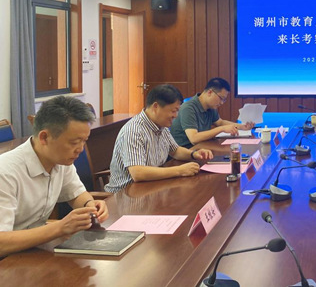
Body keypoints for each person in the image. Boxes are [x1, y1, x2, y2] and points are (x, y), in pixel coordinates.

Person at [0, 96, 109, 257]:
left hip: (34, 250)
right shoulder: (5, 173)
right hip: (8, 258)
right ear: (44, 137)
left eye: (84, 141)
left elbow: (76, 194)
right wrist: (60, 227)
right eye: (74, 142)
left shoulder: (61, 161)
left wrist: (90, 205)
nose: (80, 149)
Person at [105, 84, 213, 193]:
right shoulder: (134, 130)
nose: (176, 115)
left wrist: (194, 154)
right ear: (156, 107)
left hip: (152, 187)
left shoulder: (162, 126)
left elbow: (175, 151)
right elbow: (137, 173)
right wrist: (180, 171)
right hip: (126, 195)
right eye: (173, 111)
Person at [170, 77, 254, 148]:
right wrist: (221, 129)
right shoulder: (188, 108)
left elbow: (220, 122)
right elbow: (194, 138)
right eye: (221, 98)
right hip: (185, 152)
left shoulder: (210, 106)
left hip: (201, 148)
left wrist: (242, 126)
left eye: (224, 100)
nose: (221, 103)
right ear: (210, 92)